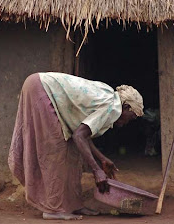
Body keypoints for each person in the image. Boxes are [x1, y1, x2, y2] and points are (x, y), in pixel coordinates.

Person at [8, 72, 144, 220]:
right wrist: (96, 170)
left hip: (38, 84)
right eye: (131, 117)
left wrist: (102, 159)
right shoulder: (113, 108)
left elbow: (83, 135)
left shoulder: (110, 99)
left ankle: (74, 205)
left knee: (72, 152)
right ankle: (53, 209)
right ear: (125, 107)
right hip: (42, 89)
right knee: (56, 151)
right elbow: (79, 136)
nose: (126, 123)